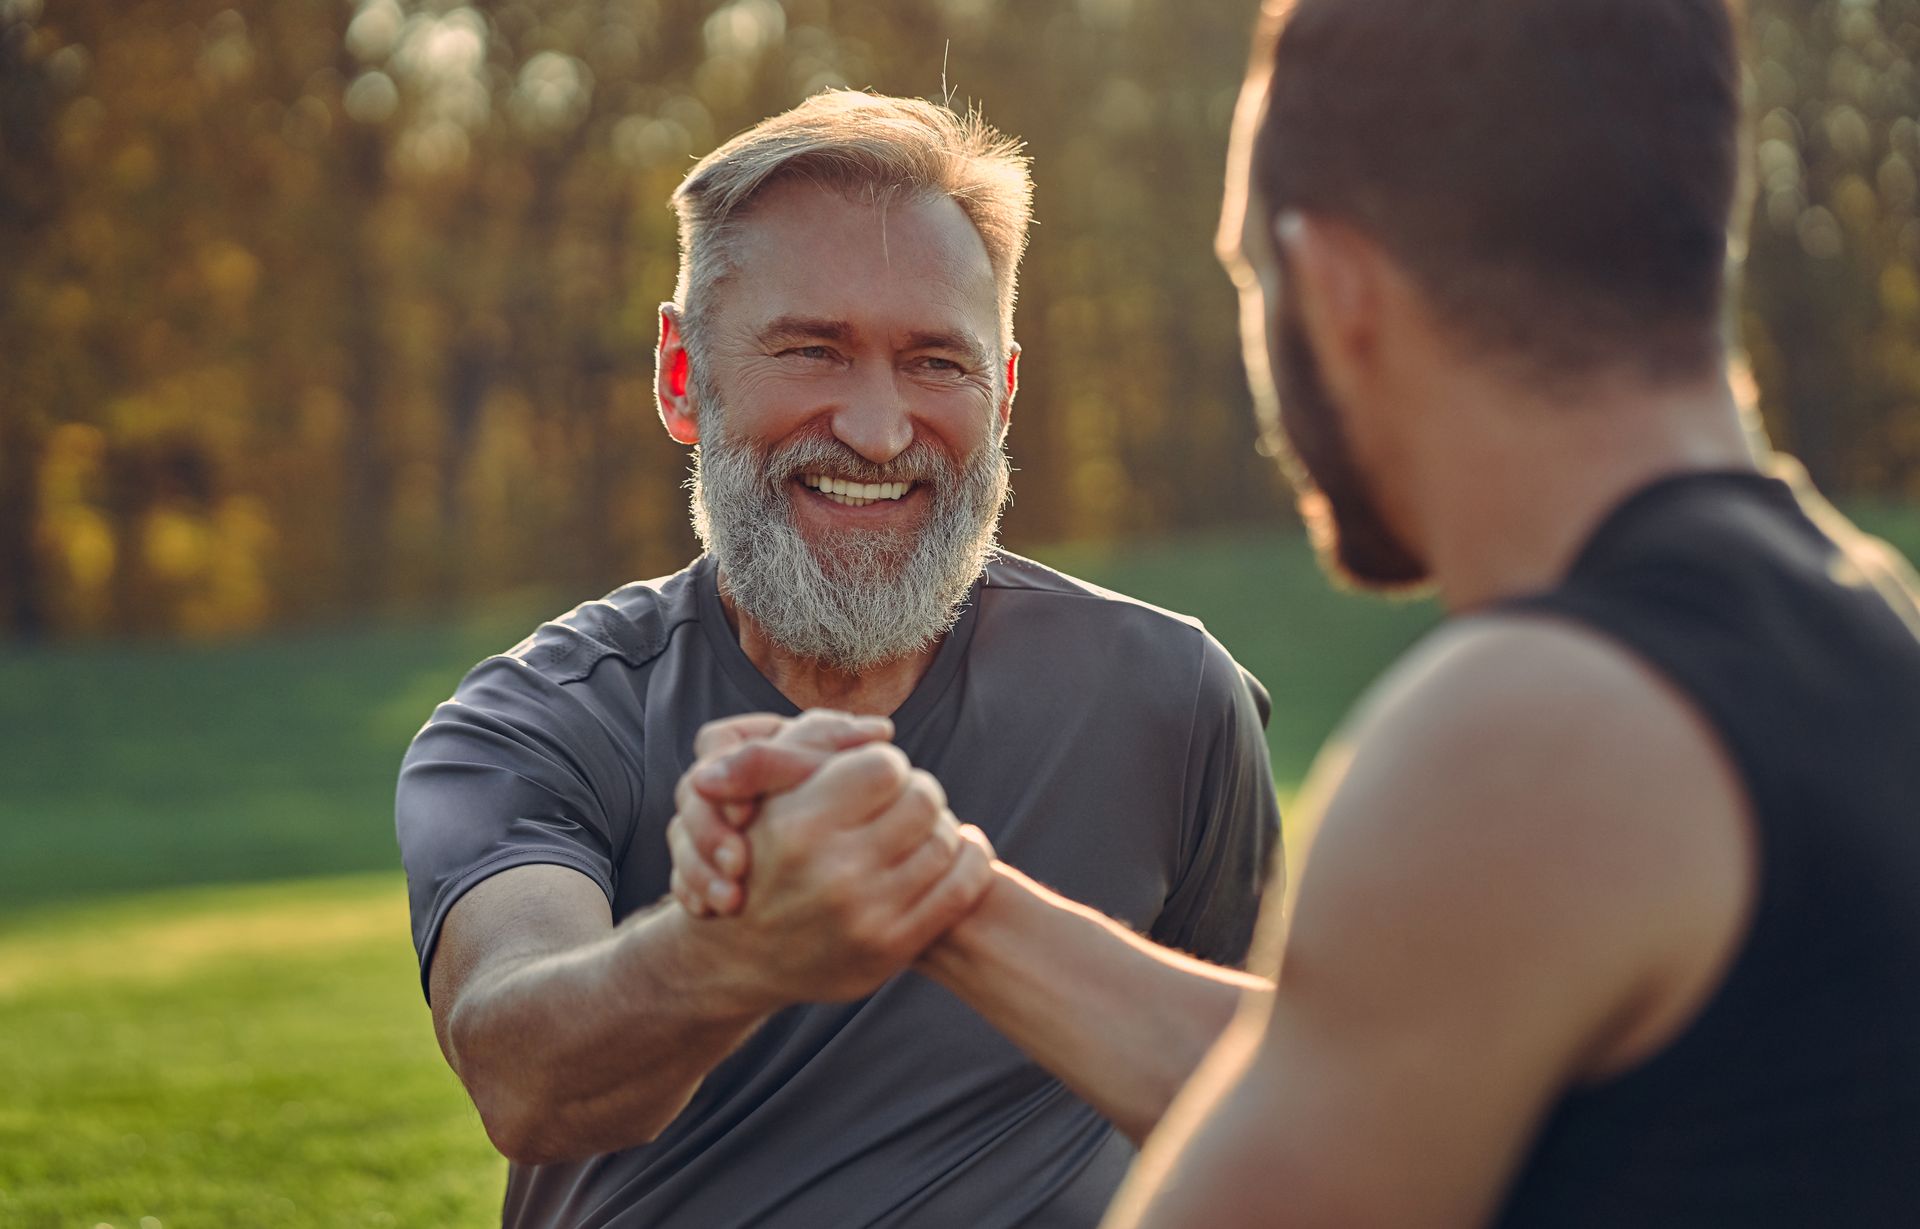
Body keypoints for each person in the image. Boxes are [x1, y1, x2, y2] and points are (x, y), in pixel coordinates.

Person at [1088, 0, 1920, 1224]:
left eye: (1251, 274)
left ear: (1334, 288)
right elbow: (1352, 1053)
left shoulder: (1525, 736)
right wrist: (951, 897)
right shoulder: (1869, 628)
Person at [394, 90, 1281, 1228]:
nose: (875, 427)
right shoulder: (541, 718)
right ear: (681, 375)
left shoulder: (1172, 695)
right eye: (813, 349)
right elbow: (518, 1064)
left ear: (1003, 389)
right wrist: (733, 951)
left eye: (934, 362)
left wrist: (918, 885)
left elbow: (1281, 1093)